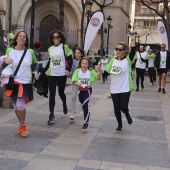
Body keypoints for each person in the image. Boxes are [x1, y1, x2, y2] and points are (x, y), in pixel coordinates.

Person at [96, 37, 136, 132]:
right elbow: (106, 73)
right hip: (114, 89)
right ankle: (119, 124)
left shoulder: (128, 60)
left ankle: (127, 114)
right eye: (116, 49)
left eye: (120, 49)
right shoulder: (112, 61)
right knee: (116, 108)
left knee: (123, 107)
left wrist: (133, 39)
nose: (117, 51)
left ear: (124, 51)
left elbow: (133, 50)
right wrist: (99, 70)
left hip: (125, 88)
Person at [4, 31, 39, 137]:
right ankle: (20, 124)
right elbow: (4, 63)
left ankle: (23, 125)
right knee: (15, 106)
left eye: (24, 37)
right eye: (20, 36)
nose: (22, 38)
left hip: (25, 82)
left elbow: (35, 63)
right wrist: (6, 61)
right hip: (13, 82)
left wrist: (36, 71)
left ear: (26, 40)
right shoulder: (10, 50)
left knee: (20, 105)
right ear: (16, 38)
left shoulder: (30, 52)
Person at [42, 30, 73, 125]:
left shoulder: (64, 47)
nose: (55, 39)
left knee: (61, 92)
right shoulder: (50, 49)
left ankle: (64, 103)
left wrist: (68, 69)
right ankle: (51, 114)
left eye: (57, 37)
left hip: (62, 74)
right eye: (54, 37)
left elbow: (70, 59)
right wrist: (43, 70)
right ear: (52, 39)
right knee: (52, 94)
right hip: (52, 74)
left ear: (60, 38)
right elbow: (50, 61)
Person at [72, 57, 101, 130]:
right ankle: (87, 112)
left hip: (88, 90)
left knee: (85, 105)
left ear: (88, 65)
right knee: (83, 106)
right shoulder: (77, 71)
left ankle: (86, 122)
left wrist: (98, 72)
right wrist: (77, 83)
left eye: (86, 64)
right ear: (80, 64)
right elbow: (73, 80)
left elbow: (98, 78)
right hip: (80, 90)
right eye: (83, 63)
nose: (84, 65)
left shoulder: (91, 71)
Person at [69, 47, 85, 120]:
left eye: (78, 53)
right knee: (73, 96)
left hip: (83, 81)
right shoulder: (72, 61)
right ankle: (72, 113)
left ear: (81, 54)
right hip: (75, 81)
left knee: (82, 96)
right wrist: (68, 73)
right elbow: (71, 71)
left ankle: (82, 107)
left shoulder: (84, 61)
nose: (76, 54)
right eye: (75, 53)